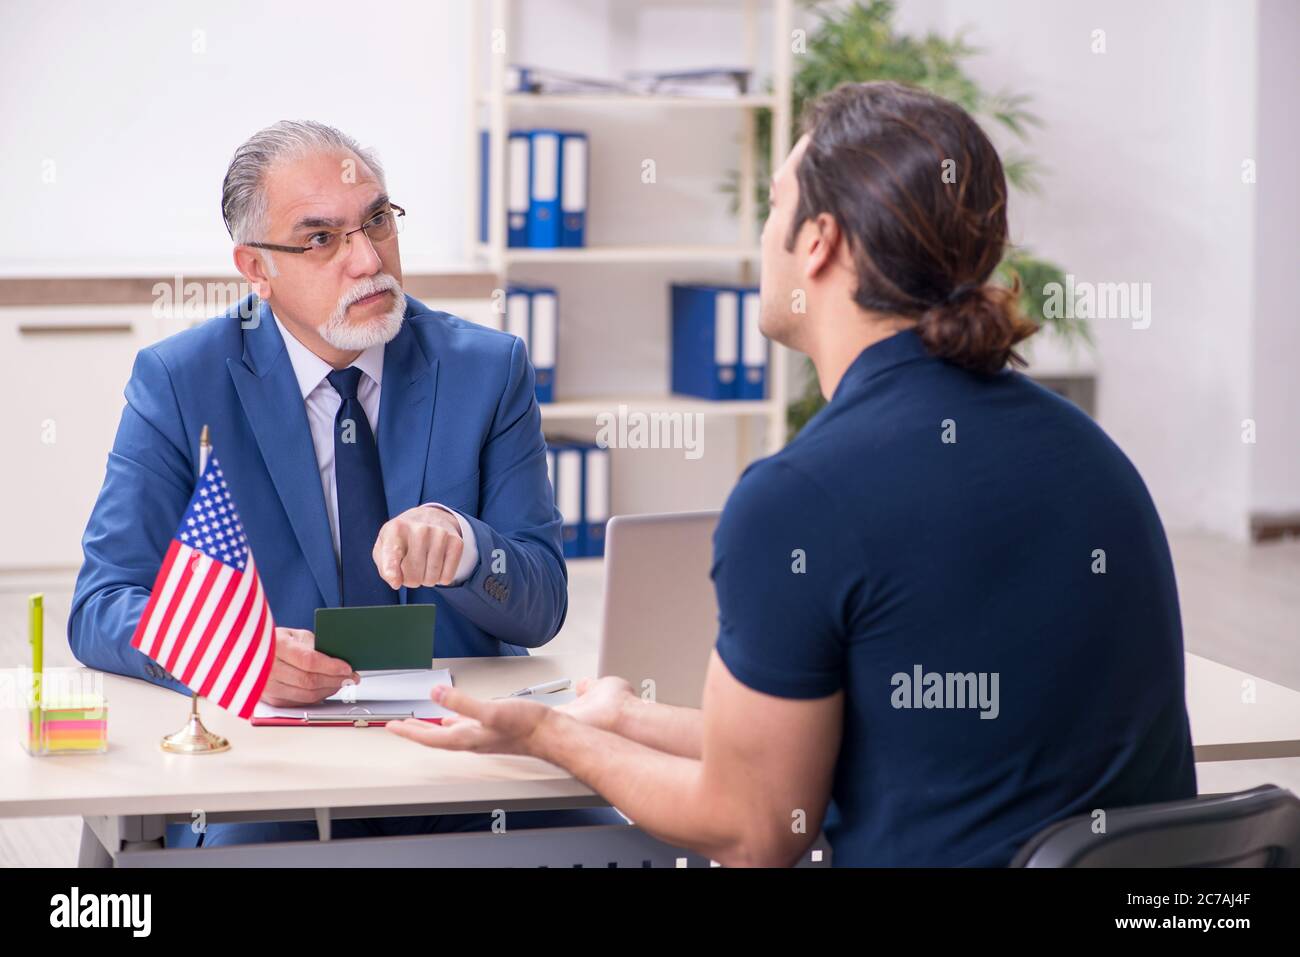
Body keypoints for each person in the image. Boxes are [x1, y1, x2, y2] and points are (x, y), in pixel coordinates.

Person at [388, 82, 1198, 867]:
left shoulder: (802, 498)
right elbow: (882, 737)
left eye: (774, 205)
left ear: (819, 240)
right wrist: (624, 715)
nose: (763, 234)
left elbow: (752, 828)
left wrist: (549, 733)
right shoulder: (1090, 452)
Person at [70, 120, 614, 845]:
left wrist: (469, 549)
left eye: (377, 221)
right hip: (274, 769)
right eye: (321, 238)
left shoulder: (487, 369)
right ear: (256, 268)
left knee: (616, 843)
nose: (367, 260)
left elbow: (542, 603)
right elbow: (102, 603)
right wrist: (233, 653)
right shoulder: (180, 381)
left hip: (461, 759)